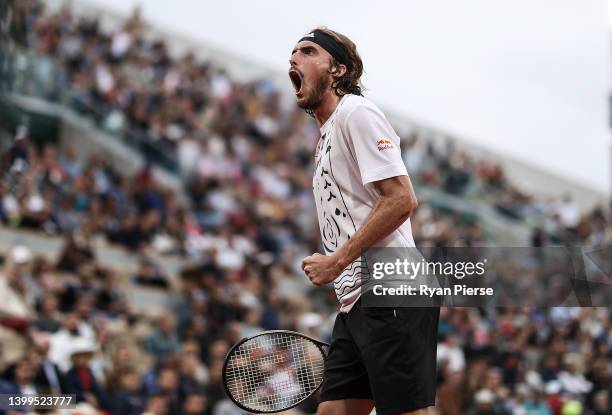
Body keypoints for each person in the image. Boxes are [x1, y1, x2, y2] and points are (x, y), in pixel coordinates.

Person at [291, 27, 440, 415]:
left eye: (308, 52)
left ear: (338, 69)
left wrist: (337, 260)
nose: (294, 59)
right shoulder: (326, 135)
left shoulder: (356, 112)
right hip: (356, 299)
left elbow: (402, 199)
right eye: (292, 54)